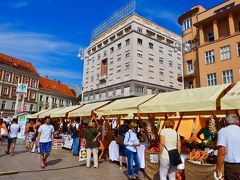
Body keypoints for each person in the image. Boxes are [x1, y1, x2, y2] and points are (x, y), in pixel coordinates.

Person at [216, 114, 240, 180]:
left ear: (225, 123)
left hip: (233, 167)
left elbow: (222, 152)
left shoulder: (223, 131)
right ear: (238, 122)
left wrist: (218, 169)